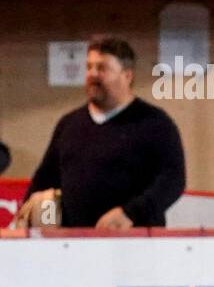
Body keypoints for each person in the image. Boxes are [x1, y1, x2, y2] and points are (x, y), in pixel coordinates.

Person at [19, 37, 186, 230]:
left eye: (102, 68)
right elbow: (45, 180)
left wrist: (130, 214)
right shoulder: (69, 124)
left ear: (127, 76)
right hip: (72, 246)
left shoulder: (155, 123)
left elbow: (172, 180)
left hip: (135, 243)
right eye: (89, 67)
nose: (92, 74)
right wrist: (31, 222)